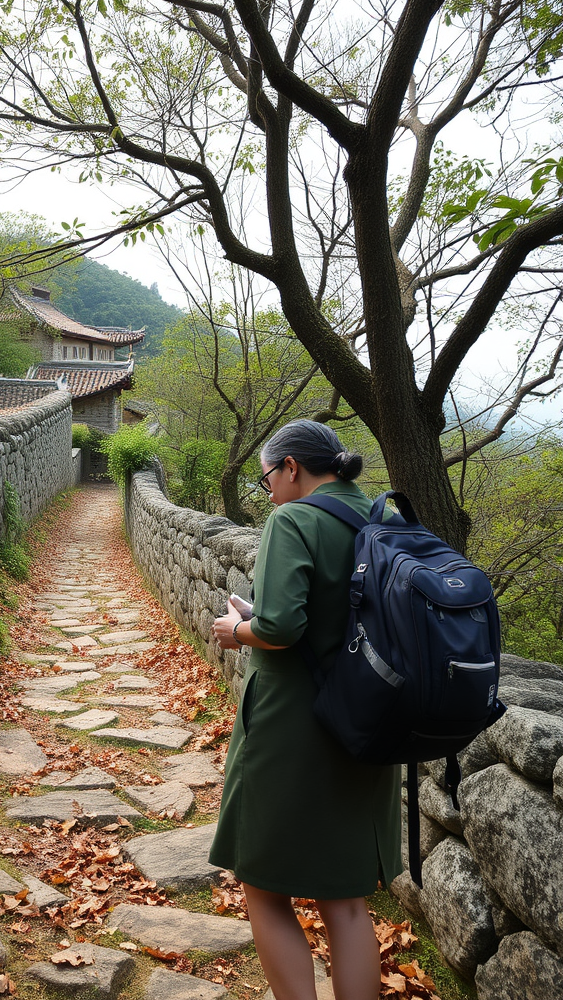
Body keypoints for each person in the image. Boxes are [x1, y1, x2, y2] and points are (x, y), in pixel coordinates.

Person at [209, 419, 401, 1000]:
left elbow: (283, 626)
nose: (267, 489)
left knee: (264, 888)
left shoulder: (293, 519)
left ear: (292, 466)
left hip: (293, 725)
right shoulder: (383, 518)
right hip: (369, 723)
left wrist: (239, 628)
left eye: (268, 475)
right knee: (345, 901)